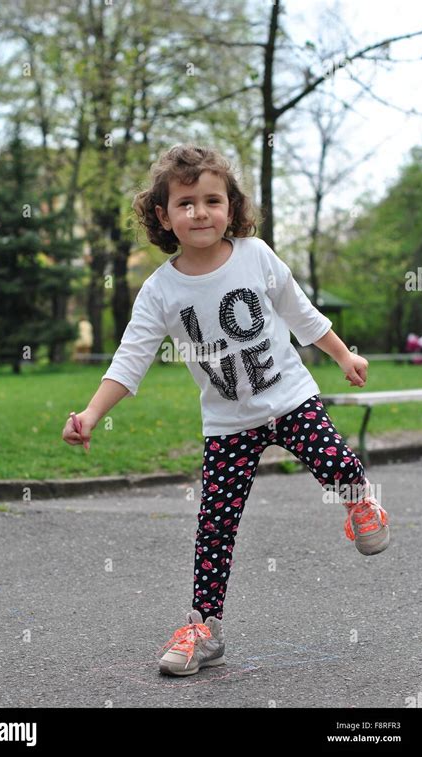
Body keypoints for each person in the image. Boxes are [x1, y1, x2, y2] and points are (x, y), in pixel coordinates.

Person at [62, 143, 389, 677]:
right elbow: (130, 360)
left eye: (212, 200)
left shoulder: (256, 256)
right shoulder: (160, 290)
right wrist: (92, 413)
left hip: (289, 398)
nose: (200, 212)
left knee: (334, 460)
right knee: (215, 525)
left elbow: (301, 314)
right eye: (185, 203)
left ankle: (360, 503)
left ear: (231, 208)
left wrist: (343, 354)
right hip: (228, 423)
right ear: (163, 216)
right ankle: (204, 629)